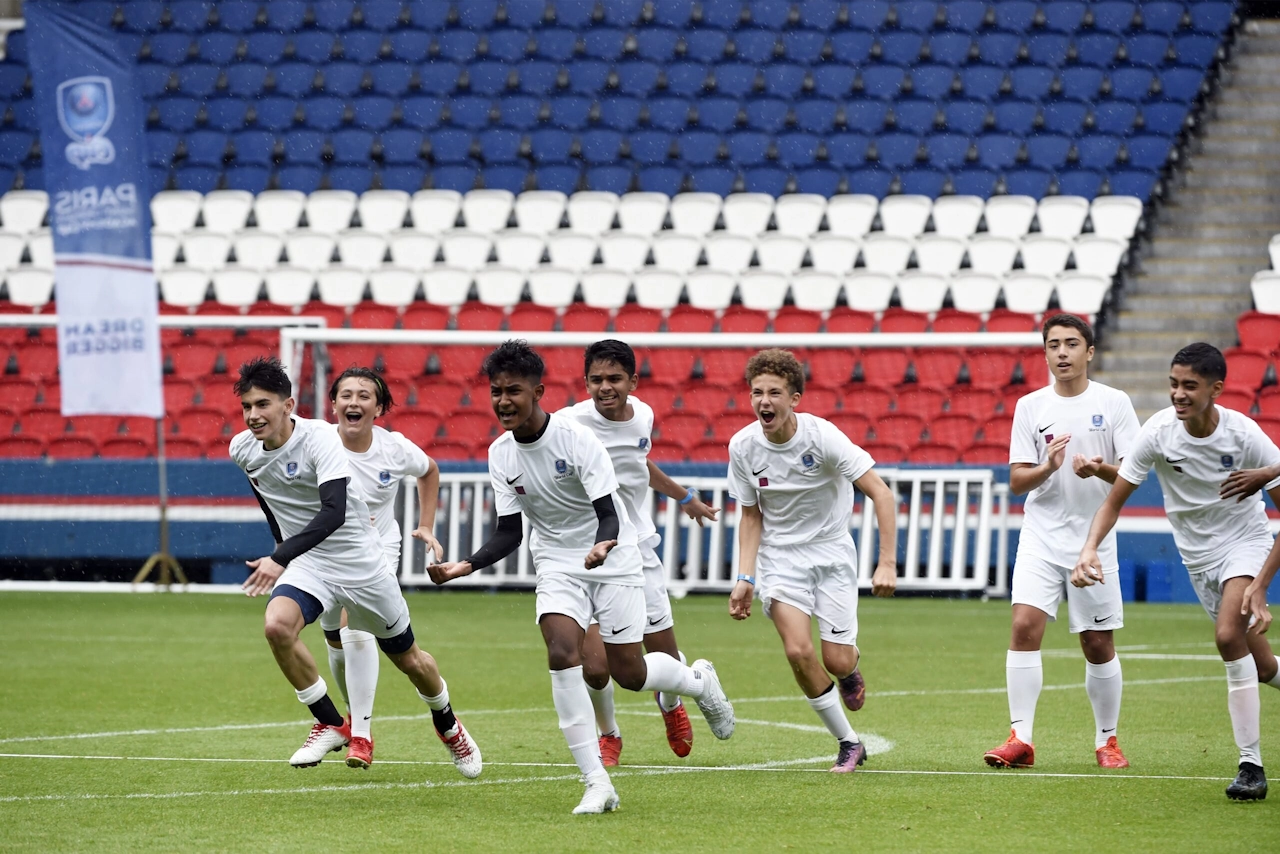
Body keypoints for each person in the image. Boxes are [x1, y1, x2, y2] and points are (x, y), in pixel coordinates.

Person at [427, 341, 735, 815]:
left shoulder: (576, 440)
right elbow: (509, 532)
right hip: (556, 563)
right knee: (562, 653)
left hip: (614, 556)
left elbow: (609, 514)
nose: (503, 401)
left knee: (629, 673)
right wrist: (465, 565)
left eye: (514, 391)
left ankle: (697, 683)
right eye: (496, 392)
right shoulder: (500, 454)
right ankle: (596, 781)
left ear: (538, 391)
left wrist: (603, 544)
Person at [229, 357, 480, 778]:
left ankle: (447, 723)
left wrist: (278, 557)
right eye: (247, 406)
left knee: (411, 661)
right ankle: (332, 722)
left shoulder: (321, 441)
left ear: (288, 405)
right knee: (277, 627)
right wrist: (281, 546)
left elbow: (333, 512)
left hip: (362, 562)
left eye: (263, 405)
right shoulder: (242, 448)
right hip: (311, 562)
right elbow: (268, 496)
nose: (254, 415)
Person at [1074, 343, 1280, 801]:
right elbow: (1115, 499)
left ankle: (1251, 766)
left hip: (1246, 546)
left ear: (1216, 389)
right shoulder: (1159, 432)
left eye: (1190, 385)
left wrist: (1262, 583)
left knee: (1229, 637)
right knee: (1263, 667)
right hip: (1198, 559)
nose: (1178, 394)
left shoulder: (1244, 435)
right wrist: (1089, 548)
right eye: (1174, 384)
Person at [726, 348, 898, 773]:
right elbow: (751, 515)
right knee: (798, 651)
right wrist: (745, 576)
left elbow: (881, 492)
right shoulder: (743, 447)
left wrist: (887, 562)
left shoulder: (823, 438)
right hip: (781, 560)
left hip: (832, 554)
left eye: (775, 393)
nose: (764, 402)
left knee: (837, 659)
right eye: (757, 393)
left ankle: (849, 669)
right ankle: (848, 742)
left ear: (795, 398)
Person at [984, 315, 1140, 771]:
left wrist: (1100, 469)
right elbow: (1016, 482)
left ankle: (1107, 741)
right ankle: (1021, 738)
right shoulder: (1030, 405)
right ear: (1046, 352)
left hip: (1095, 536)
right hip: (1041, 533)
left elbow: (1133, 473)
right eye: (1054, 345)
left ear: (1089, 352)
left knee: (1095, 641)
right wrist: (1049, 467)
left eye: (1072, 344)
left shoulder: (1114, 403)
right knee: (1024, 627)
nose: (1063, 353)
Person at [562, 339, 720, 766]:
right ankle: (609, 735)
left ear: (633, 381)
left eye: (614, 379)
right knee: (596, 667)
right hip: (582, 554)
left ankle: (671, 706)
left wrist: (684, 496)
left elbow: (638, 464)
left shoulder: (644, 416)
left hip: (634, 548)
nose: (604, 387)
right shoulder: (568, 423)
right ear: (585, 382)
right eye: (596, 379)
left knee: (663, 655)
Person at [323, 366, 445, 769]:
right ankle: (350, 717)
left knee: (355, 627)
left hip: (376, 547)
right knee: (335, 637)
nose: (353, 402)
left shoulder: (393, 449)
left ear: (379, 407)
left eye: (363, 396)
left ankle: (361, 734)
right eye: (346, 395)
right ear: (334, 403)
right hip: (325, 547)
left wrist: (425, 525)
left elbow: (429, 470)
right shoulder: (316, 443)